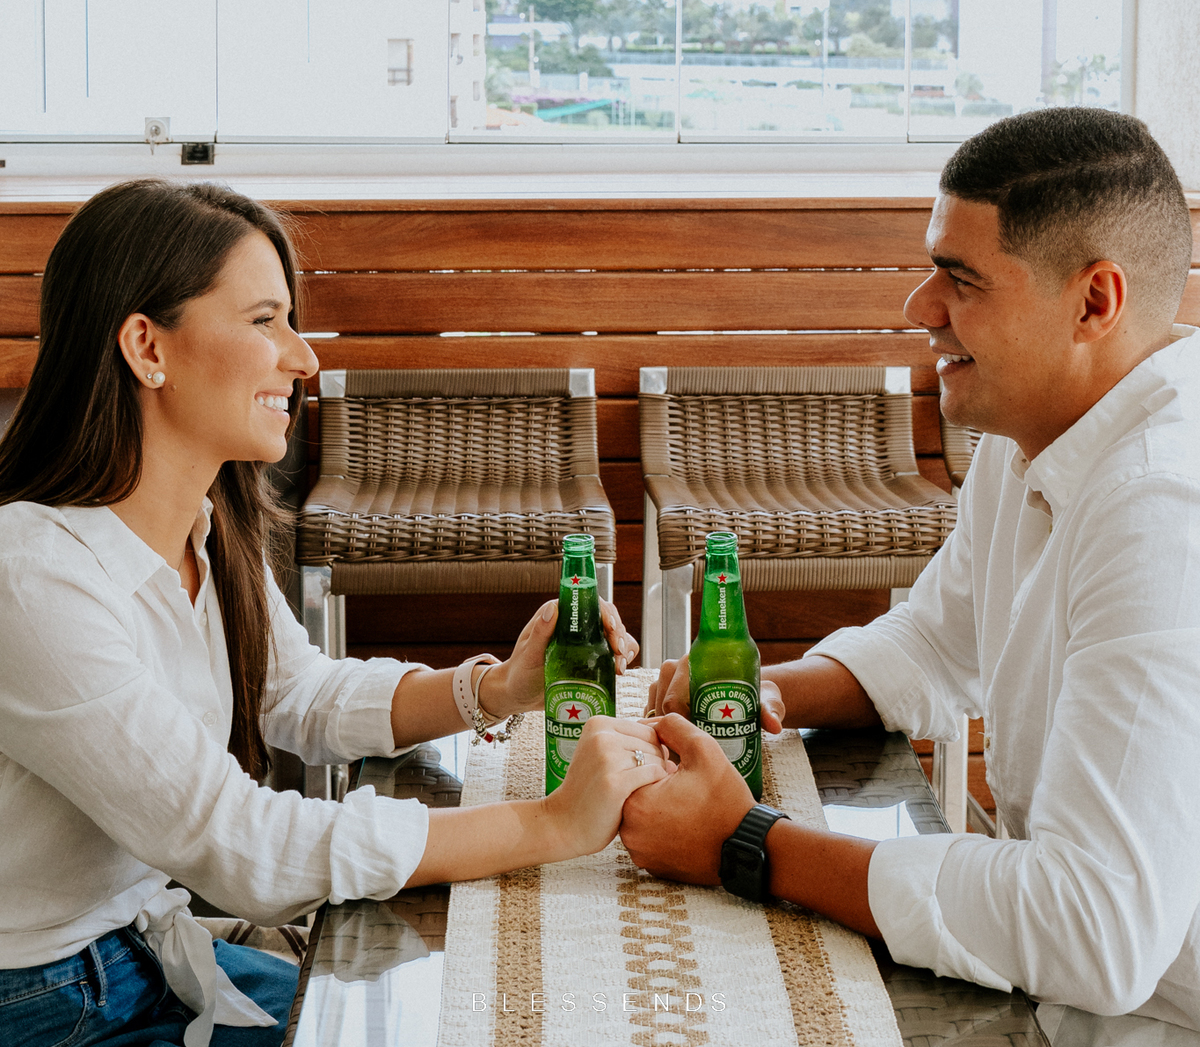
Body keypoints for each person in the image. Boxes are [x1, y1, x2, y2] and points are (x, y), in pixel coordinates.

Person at [0, 180, 668, 1047]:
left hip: (139, 951)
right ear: (145, 346)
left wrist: (498, 689)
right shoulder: (33, 578)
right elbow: (238, 848)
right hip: (42, 1004)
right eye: (263, 320)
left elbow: (300, 696)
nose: (303, 358)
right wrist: (551, 824)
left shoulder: (203, 530)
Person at [622, 109, 1200, 1047]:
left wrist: (747, 844)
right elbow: (938, 642)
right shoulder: (1045, 436)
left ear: (1094, 302)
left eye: (960, 279)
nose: (919, 307)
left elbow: (1095, 928)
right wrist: (763, 690)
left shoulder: (1166, 508)